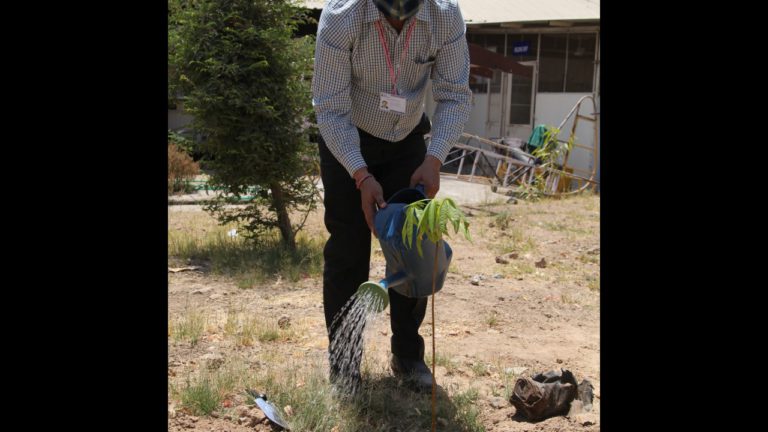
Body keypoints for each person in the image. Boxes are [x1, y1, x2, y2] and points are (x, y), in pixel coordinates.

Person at [311, 0, 471, 391]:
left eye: (407, 14)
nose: (399, 21)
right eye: (391, 15)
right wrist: (360, 174)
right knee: (348, 252)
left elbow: (454, 94)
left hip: (408, 141)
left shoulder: (444, 16)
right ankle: (344, 366)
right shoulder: (341, 18)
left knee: (415, 249)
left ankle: (407, 356)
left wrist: (434, 158)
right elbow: (330, 108)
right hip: (348, 136)